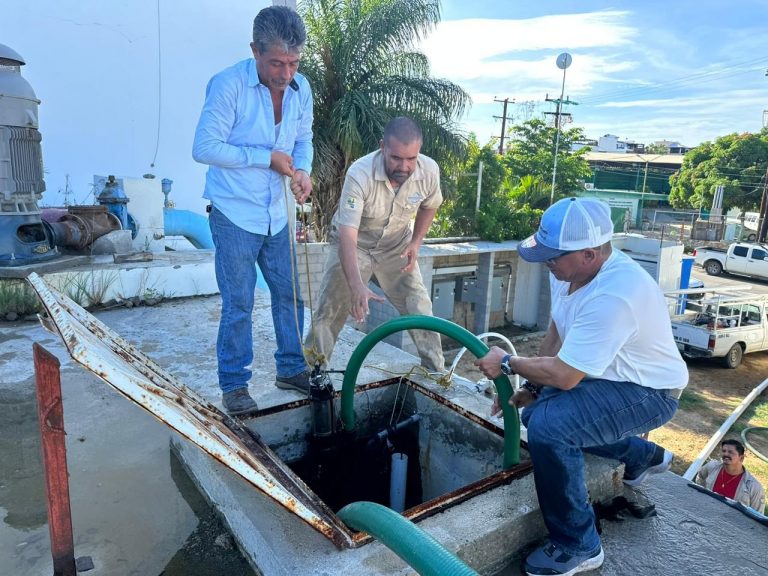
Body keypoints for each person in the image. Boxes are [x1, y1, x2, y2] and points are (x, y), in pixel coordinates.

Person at [475, 197, 688, 576]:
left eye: (552, 257)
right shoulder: (570, 273)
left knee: (550, 429)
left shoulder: (615, 294)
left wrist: (507, 362)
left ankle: (579, 545)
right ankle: (641, 455)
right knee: (537, 411)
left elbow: (565, 375)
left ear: (589, 253)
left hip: (649, 393)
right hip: (609, 377)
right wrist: (531, 387)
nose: (546, 263)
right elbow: (558, 328)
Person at [192, 6, 313, 416]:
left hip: (277, 213)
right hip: (235, 213)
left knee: (290, 294)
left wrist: (304, 171)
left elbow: (303, 140)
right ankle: (234, 386)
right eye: (277, 62)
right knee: (239, 303)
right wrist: (267, 159)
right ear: (255, 51)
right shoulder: (228, 85)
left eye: (293, 63)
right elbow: (204, 148)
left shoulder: (302, 88)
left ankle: (292, 368)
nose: (285, 73)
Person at [304, 117, 445, 373]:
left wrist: (416, 242)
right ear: (382, 146)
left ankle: (437, 372)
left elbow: (431, 204)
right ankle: (314, 372)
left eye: (411, 159)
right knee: (330, 310)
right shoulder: (360, 173)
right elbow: (348, 234)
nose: (404, 166)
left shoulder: (429, 171)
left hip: (396, 247)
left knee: (419, 305)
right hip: (355, 245)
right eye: (396, 158)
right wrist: (356, 285)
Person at [695, 439, 765, 512]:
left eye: (731, 452)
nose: (726, 454)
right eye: (724, 451)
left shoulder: (754, 487)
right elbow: (700, 478)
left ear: (741, 458)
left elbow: (757, 515)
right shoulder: (711, 467)